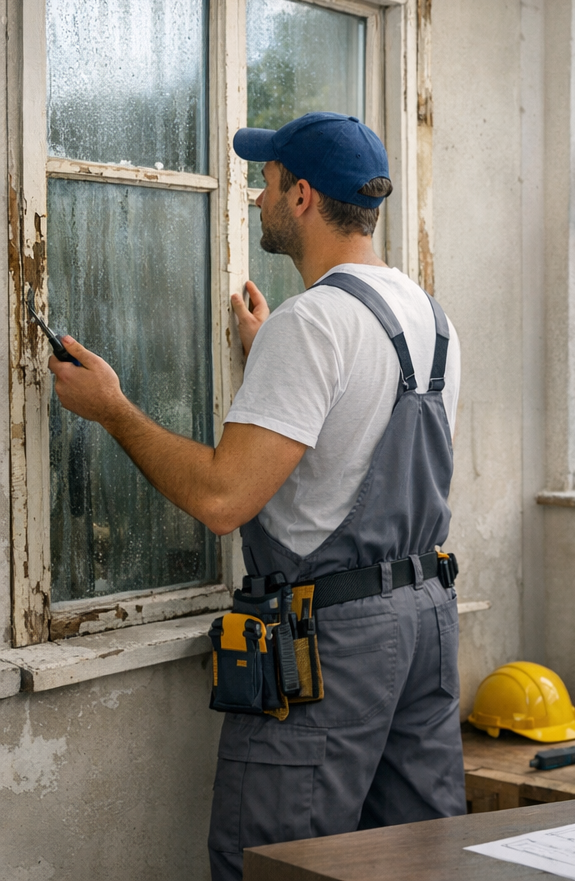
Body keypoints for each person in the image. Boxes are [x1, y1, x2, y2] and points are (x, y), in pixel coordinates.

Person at [48, 113, 466, 880]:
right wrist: (264, 358)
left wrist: (112, 408)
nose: (254, 197)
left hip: (332, 644)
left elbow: (222, 499)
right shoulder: (428, 318)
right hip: (425, 621)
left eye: (266, 181)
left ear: (302, 196)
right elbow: (351, 437)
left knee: (280, 864)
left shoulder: (313, 325)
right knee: (414, 862)